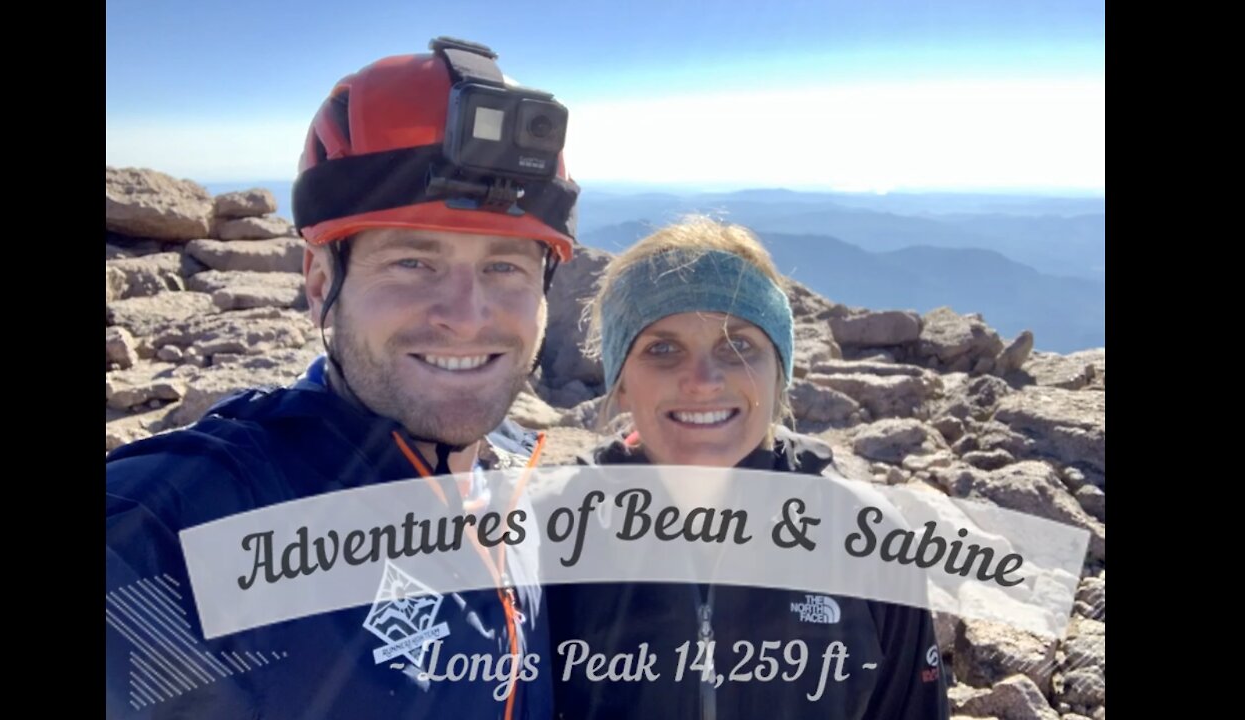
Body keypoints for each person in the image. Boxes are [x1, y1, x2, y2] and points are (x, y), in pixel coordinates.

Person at [106, 37, 580, 719]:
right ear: (320, 282)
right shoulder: (183, 527)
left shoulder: (516, 484)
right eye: (413, 262)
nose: (466, 318)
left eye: (506, 267)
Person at [545, 217, 950, 719]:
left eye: (738, 345)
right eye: (662, 348)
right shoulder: (554, 533)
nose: (703, 380)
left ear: (778, 372)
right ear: (620, 380)